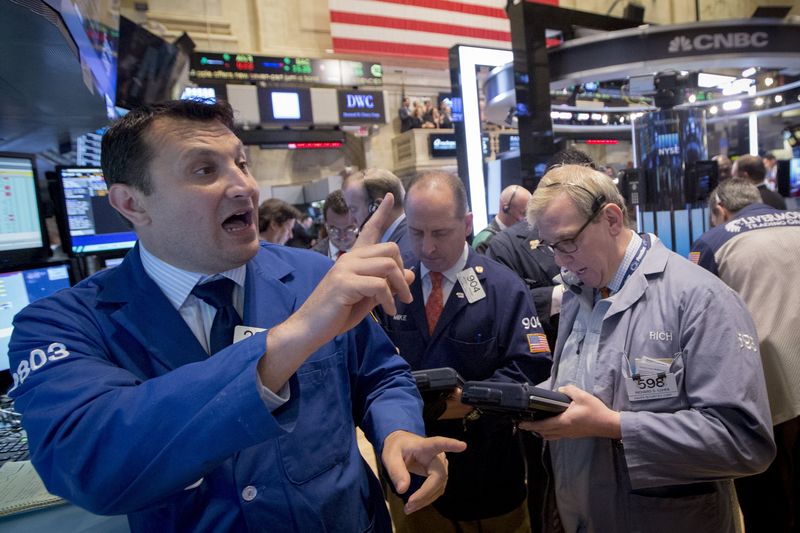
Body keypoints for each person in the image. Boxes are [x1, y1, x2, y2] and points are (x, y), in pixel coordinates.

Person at [7, 99, 467, 532]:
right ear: (132, 203)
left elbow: (381, 375)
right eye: (205, 169)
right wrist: (293, 338)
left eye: (241, 163)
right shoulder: (62, 325)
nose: (244, 185)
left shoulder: (313, 274)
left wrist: (398, 431)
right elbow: (90, 464)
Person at [518, 164, 775, 533]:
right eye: (550, 247)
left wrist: (615, 427)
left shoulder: (701, 300)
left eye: (568, 242)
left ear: (610, 218)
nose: (560, 260)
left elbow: (743, 442)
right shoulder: (579, 292)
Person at [378, 171, 552, 532]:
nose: (427, 248)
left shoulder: (504, 287)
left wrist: (471, 402)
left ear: (467, 223)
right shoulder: (391, 289)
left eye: (440, 233)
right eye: (416, 232)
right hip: (411, 485)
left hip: (487, 478)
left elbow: (531, 365)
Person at [690, 178, 800, 533]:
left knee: (765, 491)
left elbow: (699, 311)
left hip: (768, 380)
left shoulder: (712, 242)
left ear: (720, 210)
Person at [342, 168, 416, 263]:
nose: (350, 220)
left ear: (378, 207)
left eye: (353, 210)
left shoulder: (403, 254)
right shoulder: (403, 240)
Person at [471, 184, 531, 254]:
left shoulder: (521, 235)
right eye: (524, 213)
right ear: (506, 208)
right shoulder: (485, 241)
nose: (527, 219)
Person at [312, 189, 357, 259]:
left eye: (349, 228)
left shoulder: (373, 252)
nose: (342, 236)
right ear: (325, 225)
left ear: (359, 223)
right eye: (334, 229)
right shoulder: (312, 257)